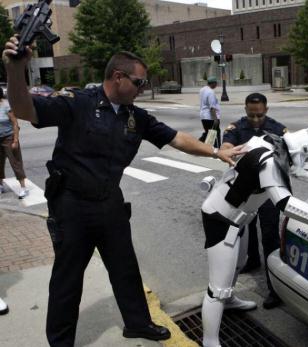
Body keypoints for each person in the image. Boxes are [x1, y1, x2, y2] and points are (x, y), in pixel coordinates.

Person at [3, 36, 243, 347]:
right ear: (118, 77)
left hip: (110, 203)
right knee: (67, 279)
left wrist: (214, 153)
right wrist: (15, 70)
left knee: (125, 267)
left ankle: (138, 323)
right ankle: (60, 342)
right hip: (72, 205)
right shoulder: (78, 103)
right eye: (139, 82)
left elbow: (176, 138)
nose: (143, 89)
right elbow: (25, 109)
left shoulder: (135, 116)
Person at [200, 127, 308, 347]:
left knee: (237, 265)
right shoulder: (269, 160)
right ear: (305, 149)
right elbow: (286, 204)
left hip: (237, 219)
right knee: (218, 289)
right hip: (221, 220)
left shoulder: (272, 143)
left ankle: (230, 301)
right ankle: (210, 341)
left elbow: (296, 169)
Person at [221, 93, 287, 309]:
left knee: (269, 236)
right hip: (246, 191)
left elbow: (291, 152)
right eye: (251, 115)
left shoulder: (277, 128)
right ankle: (252, 260)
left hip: (268, 191)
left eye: (259, 115)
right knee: (245, 230)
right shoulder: (237, 128)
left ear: (266, 110)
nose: (256, 119)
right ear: (246, 110)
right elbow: (226, 148)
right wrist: (227, 150)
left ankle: (274, 289)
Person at [0, 86, 28, 199]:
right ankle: (0, 186)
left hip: (9, 138)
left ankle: (23, 188)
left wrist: (15, 140)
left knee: (15, 163)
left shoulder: (6, 106)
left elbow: (15, 123)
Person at [199, 76, 221, 148]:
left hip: (203, 116)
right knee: (215, 133)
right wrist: (215, 119)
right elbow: (212, 107)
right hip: (210, 117)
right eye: (216, 83)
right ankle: (217, 149)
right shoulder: (211, 92)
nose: (216, 85)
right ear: (213, 83)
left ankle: (200, 145)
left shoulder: (202, 90)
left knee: (208, 133)